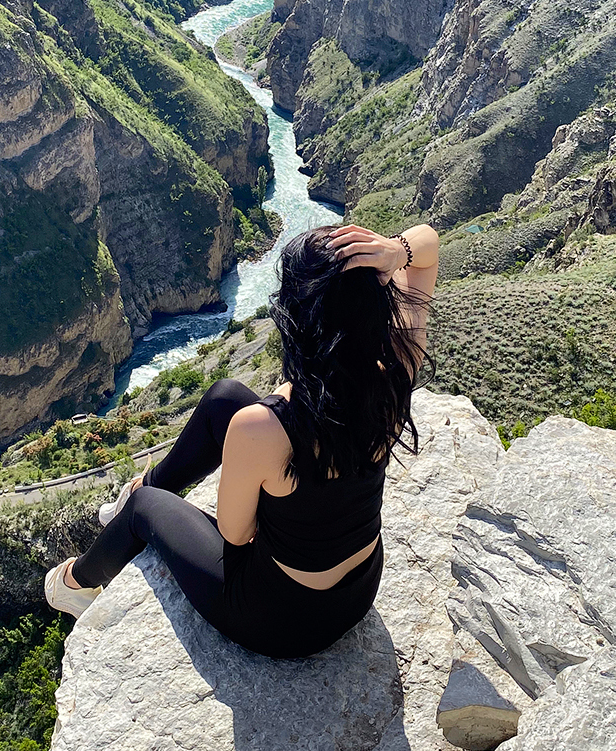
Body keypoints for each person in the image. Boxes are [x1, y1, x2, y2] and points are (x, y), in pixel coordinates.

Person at [44, 222, 439, 659]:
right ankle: (140, 491)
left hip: (281, 619)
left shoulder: (263, 427)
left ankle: (73, 585)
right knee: (223, 397)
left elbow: (237, 534)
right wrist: (395, 250)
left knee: (145, 509)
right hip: (358, 589)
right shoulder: (396, 369)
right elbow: (428, 244)